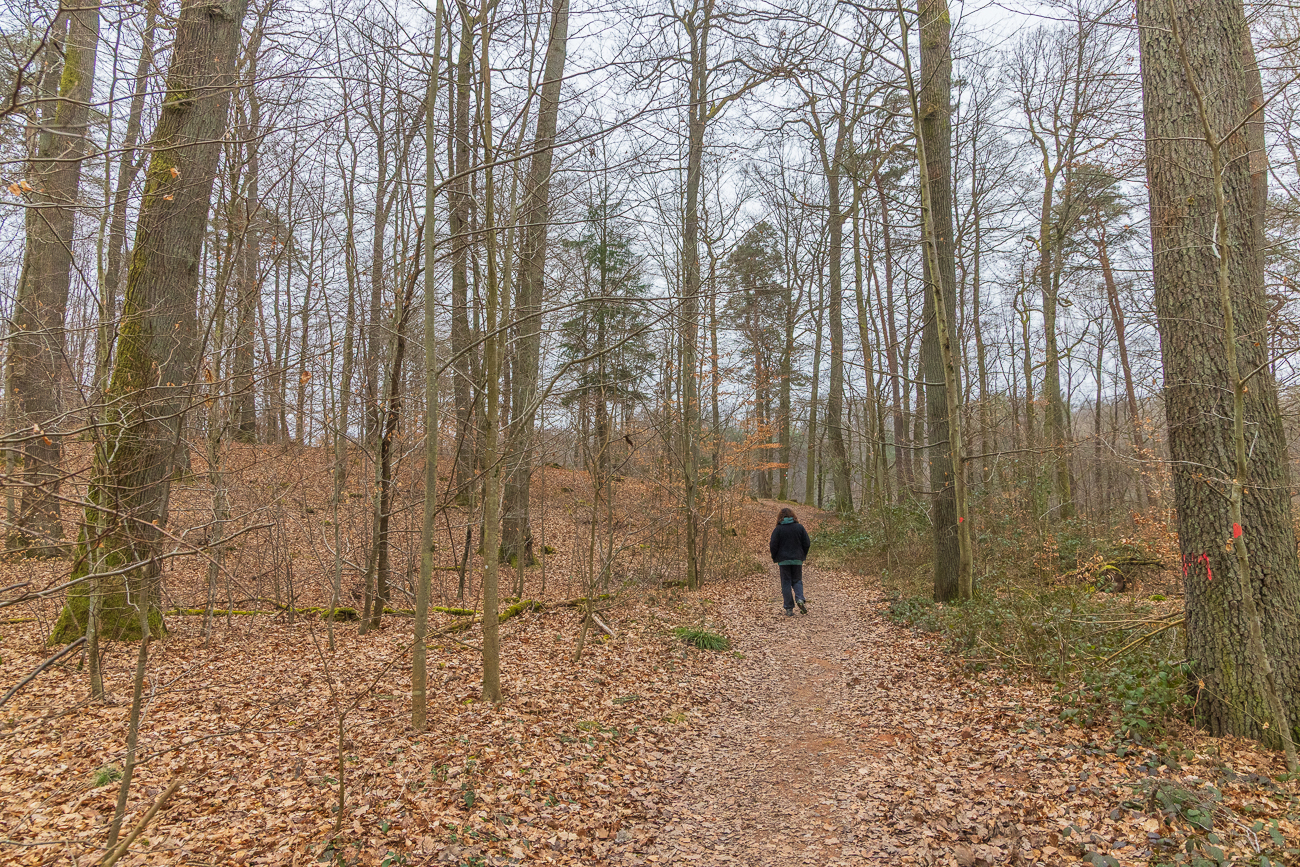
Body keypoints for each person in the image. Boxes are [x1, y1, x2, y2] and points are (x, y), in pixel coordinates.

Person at [769, 507, 810, 616]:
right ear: (793, 516)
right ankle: (800, 598)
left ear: (780, 518)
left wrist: (775, 557)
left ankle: (789, 608)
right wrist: (802, 554)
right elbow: (807, 543)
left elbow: (773, 545)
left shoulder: (778, 530)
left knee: (786, 582)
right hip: (797, 559)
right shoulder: (799, 528)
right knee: (797, 580)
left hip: (783, 560)